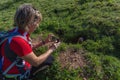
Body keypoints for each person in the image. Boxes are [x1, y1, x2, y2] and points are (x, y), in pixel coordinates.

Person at [0, 3, 60, 80]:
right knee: (50, 59)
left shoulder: (15, 32)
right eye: (37, 22)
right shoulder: (18, 41)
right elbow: (36, 62)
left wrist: (44, 42)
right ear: (30, 23)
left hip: (8, 66)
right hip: (13, 75)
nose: (37, 26)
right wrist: (52, 48)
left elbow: (25, 50)